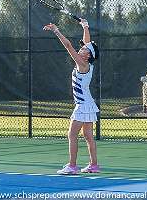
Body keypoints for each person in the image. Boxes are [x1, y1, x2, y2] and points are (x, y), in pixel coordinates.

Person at [43, 19, 100, 175]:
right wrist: (86, 26)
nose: (81, 48)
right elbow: (87, 42)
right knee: (88, 136)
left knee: (72, 134)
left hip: (82, 105)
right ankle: (93, 165)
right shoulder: (87, 62)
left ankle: (72, 166)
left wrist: (56, 30)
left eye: (84, 49)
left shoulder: (82, 63)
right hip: (87, 103)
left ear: (87, 55)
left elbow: (68, 45)